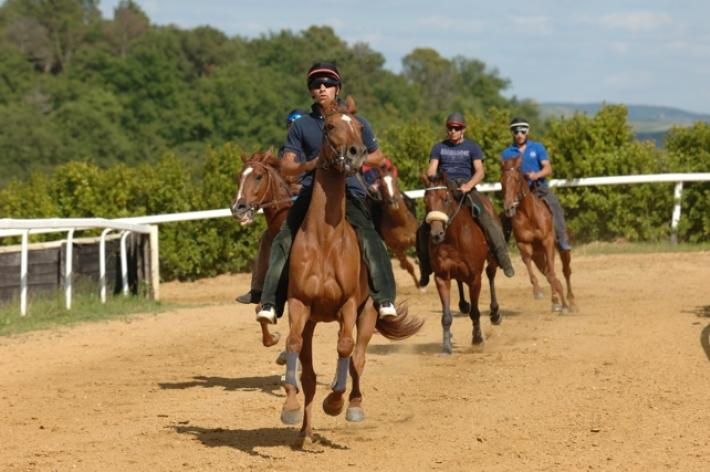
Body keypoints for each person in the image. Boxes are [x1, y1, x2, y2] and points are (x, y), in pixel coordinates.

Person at [256, 61, 398, 324]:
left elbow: (378, 157)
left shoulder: (356, 121)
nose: (322, 88)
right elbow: (287, 165)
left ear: (338, 88)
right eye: (316, 84)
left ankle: (385, 299)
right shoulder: (302, 126)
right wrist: (308, 164)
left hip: (351, 193)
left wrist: (357, 157)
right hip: (312, 193)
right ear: (311, 91)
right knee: (282, 238)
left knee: (371, 238)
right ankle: (270, 303)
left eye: (328, 84)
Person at [416, 112, 515, 286]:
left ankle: (503, 258)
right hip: (444, 188)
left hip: (466, 187)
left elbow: (480, 171)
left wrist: (469, 186)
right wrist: (435, 178)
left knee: (487, 218)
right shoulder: (438, 147)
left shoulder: (473, 147)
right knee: (423, 226)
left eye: (457, 128)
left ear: (463, 130)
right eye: (450, 128)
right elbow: (432, 169)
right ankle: (425, 269)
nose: (452, 131)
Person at [235, 109, 307, 304]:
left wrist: (303, 187)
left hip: (312, 202)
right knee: (267, 236)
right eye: (290, 126)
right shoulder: (286, 150)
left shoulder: (312, 147)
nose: (293, 129)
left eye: (296, 126)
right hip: (290, 205)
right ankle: (258, 289)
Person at [501, 117, 571, 251]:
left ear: (527, 131)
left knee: (556, 208)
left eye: (522, 130)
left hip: (539, 188)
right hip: (517, 194)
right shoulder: (507, 153)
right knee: (505, 215)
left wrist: (536, 175)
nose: (519, 134)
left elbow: (548, 168)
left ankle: (562, 240)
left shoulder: (538, 148)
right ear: (512, 133)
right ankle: (502, 249)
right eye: (516, 131)